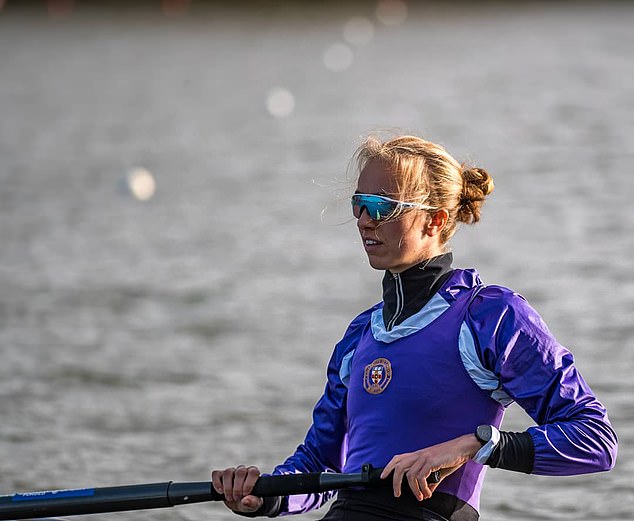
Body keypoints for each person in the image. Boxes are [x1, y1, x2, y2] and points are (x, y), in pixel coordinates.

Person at [211, 134, 618, 521]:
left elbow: (595, 440)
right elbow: (319, 465)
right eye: (358, 204)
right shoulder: (360, 335)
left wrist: (476, 445)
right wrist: (259, 495)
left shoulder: (490, 318)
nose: (364, 221)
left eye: (381, 206)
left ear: (435, 221)